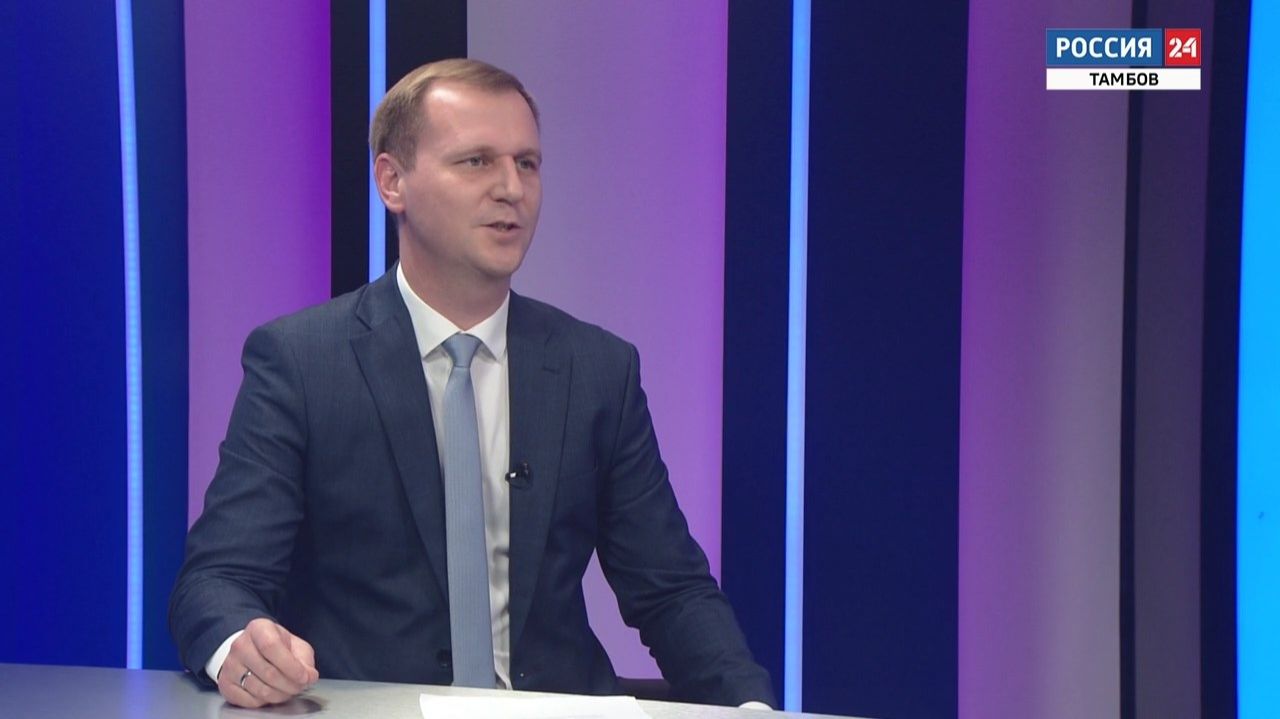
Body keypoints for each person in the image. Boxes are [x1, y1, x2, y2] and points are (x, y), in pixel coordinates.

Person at [169, 58, 775, 711]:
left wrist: (749, 706)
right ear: (392, 181)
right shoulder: (302, 362)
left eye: (527, 163)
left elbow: (671, 590)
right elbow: (217, 580)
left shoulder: (597, 369)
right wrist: (239, 645)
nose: (512, 188)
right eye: (477, 161)